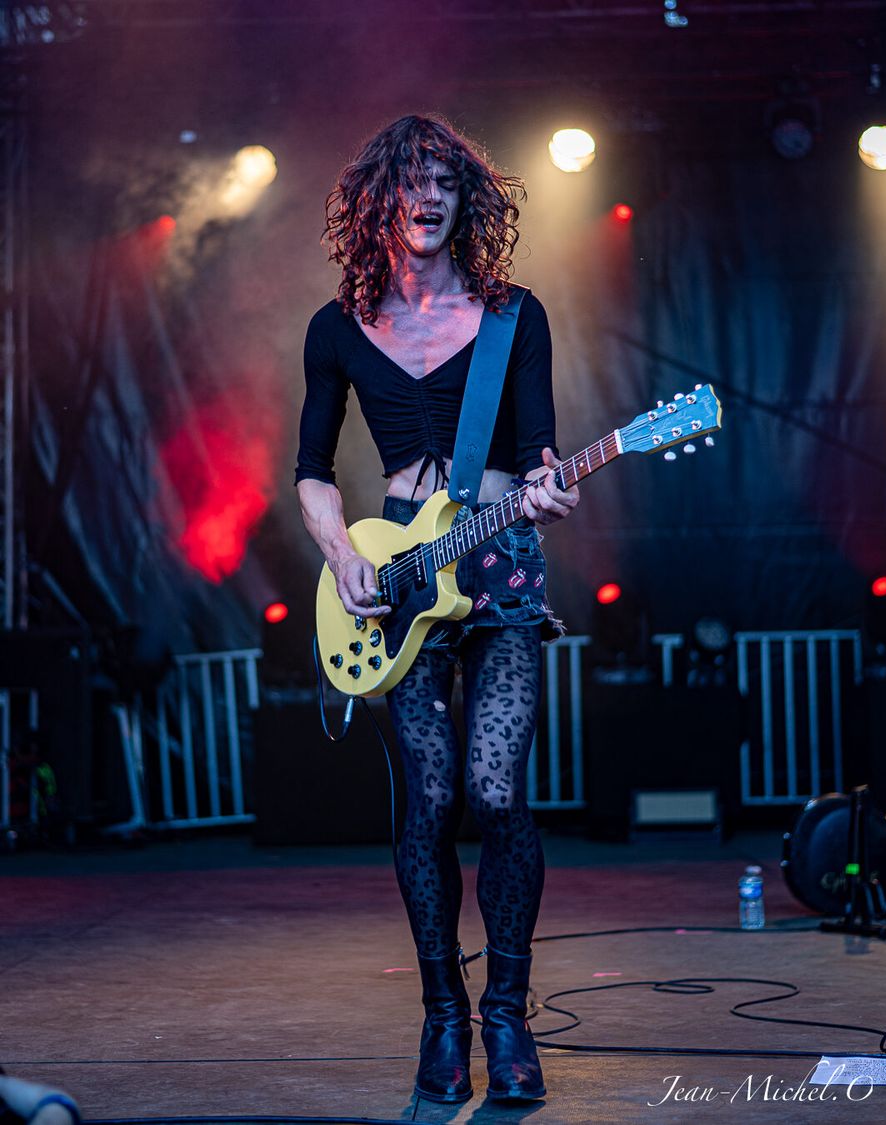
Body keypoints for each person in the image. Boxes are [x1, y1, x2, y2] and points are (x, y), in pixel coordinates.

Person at [294, 114, 579, 1104]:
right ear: (379, 200)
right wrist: (342, 556)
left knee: (495, 792)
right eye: (410, 180)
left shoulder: (514, 316)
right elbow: (312, 472)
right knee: (429, 799)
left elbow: (540, 453)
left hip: (499, 571)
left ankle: (507, 1015)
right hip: (398, 581)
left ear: (468, 201)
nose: (428, 195)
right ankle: (442, 1015)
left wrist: (547, 486)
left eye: (446, 181)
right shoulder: (338, 329)